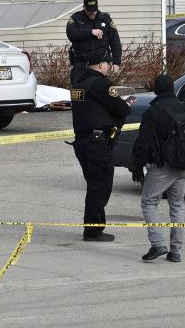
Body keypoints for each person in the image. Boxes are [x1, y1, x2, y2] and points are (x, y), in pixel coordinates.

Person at [132, 74, 185, 262]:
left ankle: (157, 244)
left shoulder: (153, 112)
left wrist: (137, 165)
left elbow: (144, 142)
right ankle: (176, 251)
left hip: (164, 166)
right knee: (177, 206)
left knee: (149, 202)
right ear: (172, 89)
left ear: (156, 90)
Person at [71, 48, 134, 242]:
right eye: (107, 64)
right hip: (97, 144)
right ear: (100, 65)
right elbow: (121, 108)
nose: (108, 67)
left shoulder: (78, 82)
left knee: (94, 185)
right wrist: (128, 103)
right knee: (100, 187)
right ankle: (93, 230)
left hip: (82, 142)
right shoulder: (100, 84)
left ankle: (94, 226)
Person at [66, 0, 122, 83]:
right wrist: (91, 32)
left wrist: (117, 61)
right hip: (81, 63)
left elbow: (115, 41)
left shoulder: (106, 20)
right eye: (89, 11)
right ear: (84, 7)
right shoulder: (76, 18)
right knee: (78, 89)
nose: (92, 13)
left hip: (99, 63)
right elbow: (71, 34)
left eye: (94, 10)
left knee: (97, 90)